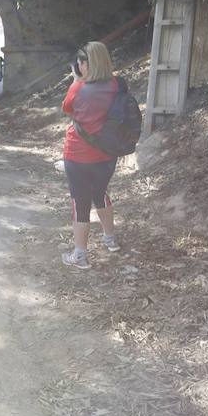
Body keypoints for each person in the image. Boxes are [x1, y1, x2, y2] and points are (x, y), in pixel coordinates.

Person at [60, 41, 122, 269]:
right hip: (107, 155)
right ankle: (110, 238)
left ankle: (80, 255)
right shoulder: (116, 85)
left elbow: (67, 108)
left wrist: (76, 81)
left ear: (87, 63)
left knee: (80, 202)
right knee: (101, 193)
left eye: (81, 61)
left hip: (78, 156)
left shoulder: (79, 88)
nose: (78, 64)